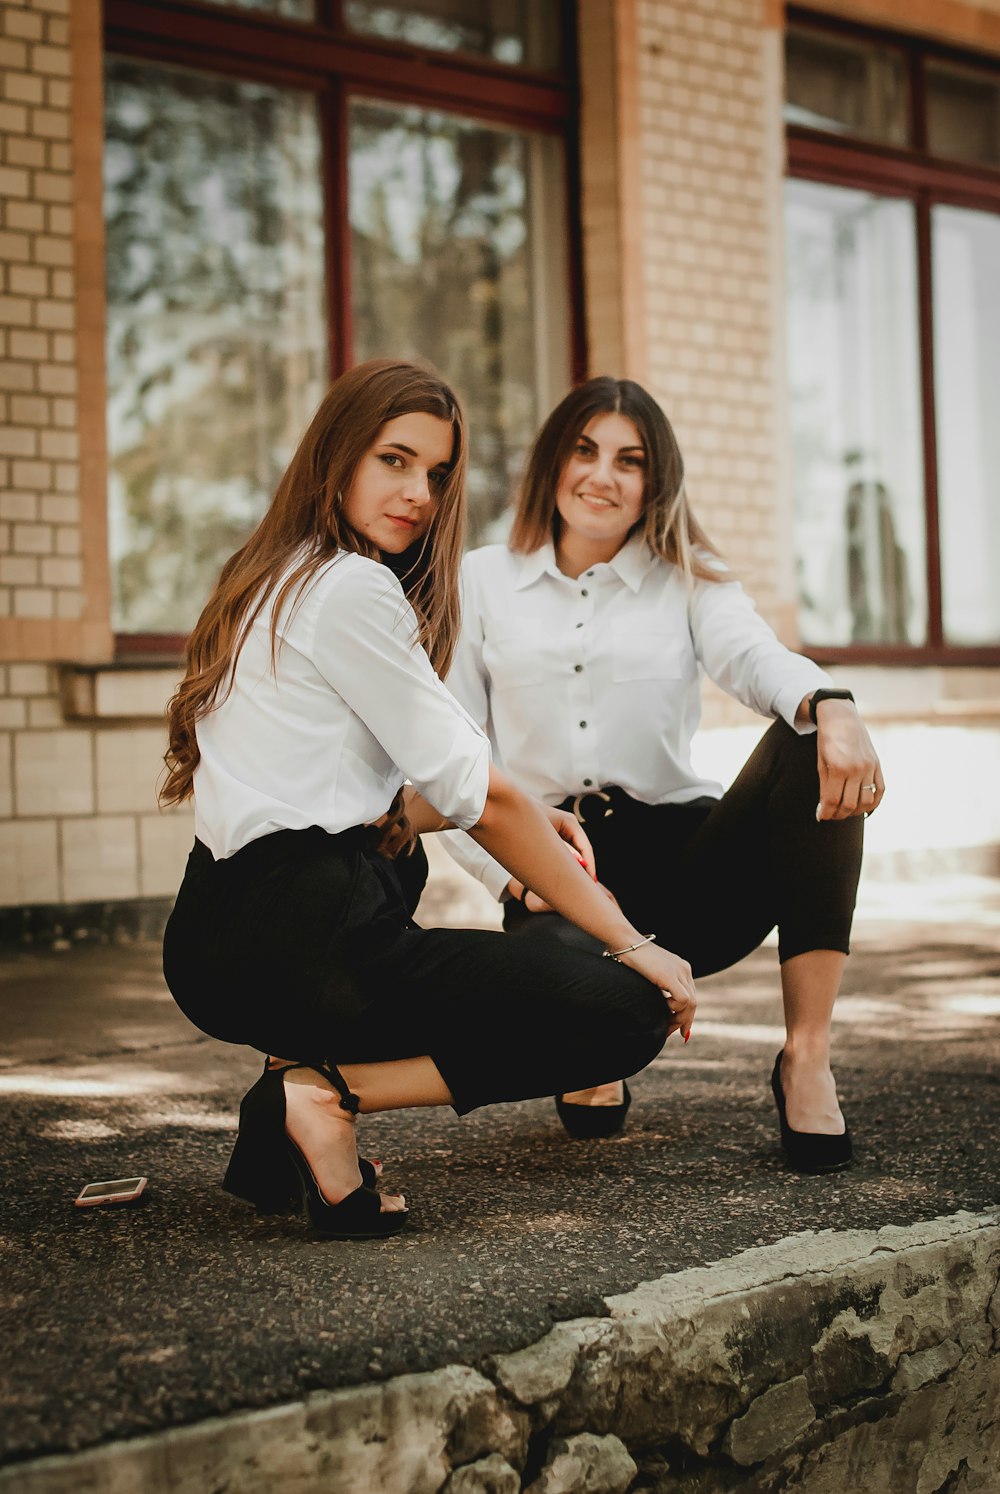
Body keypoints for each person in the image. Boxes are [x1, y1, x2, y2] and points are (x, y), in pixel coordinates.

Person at [160, 359, 696, 1242]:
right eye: (393, 460)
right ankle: (322, 1091)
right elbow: (481, 795)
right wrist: (637, 944)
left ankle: (315, 1123)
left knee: (392, 848)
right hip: (309, 936)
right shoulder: (352, 587)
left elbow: (373, 794)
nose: (419, 493)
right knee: (625, 1012)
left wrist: (495, 808)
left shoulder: (267, 577)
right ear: (336, 458)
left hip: (213, 940)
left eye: (438, 474)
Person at [439, 376, 884, 1174]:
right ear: (553, 461)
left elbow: (753, 657)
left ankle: (806, 1058)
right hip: (561, 866)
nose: (602, 475)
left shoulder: (687, 574)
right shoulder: (481, 580)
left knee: (805, 739)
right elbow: (451, 752)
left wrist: (832, 703)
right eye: (585, 450)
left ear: (654, 482)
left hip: (688, 867)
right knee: (585, 1036)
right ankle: (596, 1044)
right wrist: (509, 880)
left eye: (629, 460)